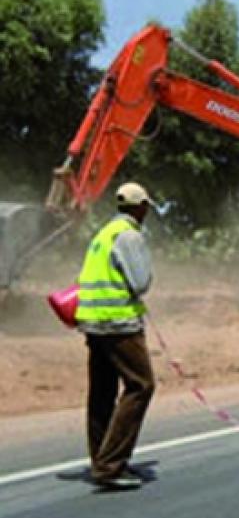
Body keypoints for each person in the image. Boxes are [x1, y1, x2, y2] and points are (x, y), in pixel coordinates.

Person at [75, 182, 155, 490]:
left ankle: (101, 458)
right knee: (140, 385)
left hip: (93, 322)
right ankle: (111, 465)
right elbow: (140, 281)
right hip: (118, 322)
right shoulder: (129, 235)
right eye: (146, 206)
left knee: (102, 391)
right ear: (139, 207)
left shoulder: (103, 234)